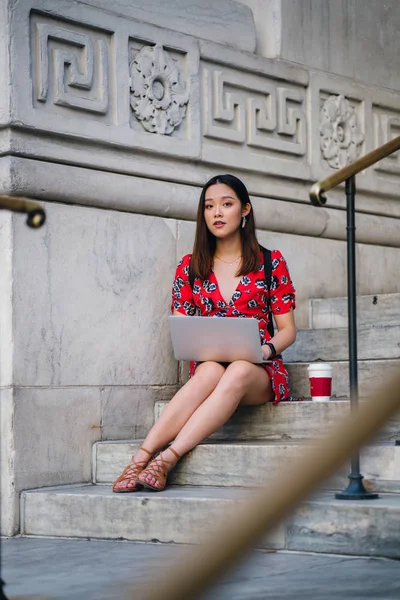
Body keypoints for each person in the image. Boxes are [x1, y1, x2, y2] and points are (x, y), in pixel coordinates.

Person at [112, 174, 297, 493]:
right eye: (209, 206)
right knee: (211, 369)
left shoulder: (270, 262)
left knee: (239, 369)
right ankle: (140, 459)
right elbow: (181, 323)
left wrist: (264, 351)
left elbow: (287, 330)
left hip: (260, 372)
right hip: (210, 370)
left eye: (227, 204)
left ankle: (166, 459)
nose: (217, 213)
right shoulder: (190, 266)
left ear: (245, 211)